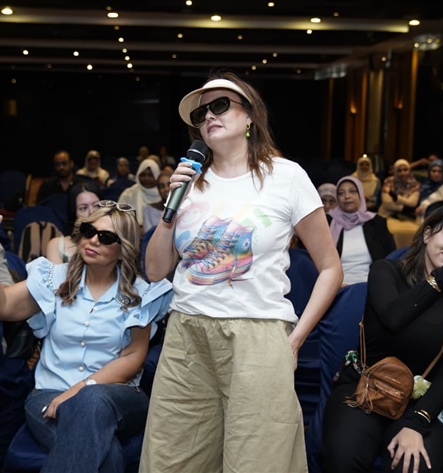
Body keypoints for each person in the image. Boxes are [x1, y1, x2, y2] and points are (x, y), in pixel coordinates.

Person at [140, 71, 343, 473]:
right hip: (186, 334)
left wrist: (295, 339)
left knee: (257, 460)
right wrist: (170, 210)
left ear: (250, 115)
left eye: (220, 106)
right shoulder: (189, 181)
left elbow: (330, 268)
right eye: (200, 113)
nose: (208, 116)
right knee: (172, 458)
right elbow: (155, 270)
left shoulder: (286, 176)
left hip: (257, 334)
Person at [0, 202, 172, 473]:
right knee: (109, 455)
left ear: (124, 248)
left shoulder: (138, 293)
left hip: (118, 396)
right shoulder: (55, 280)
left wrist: (77, 392)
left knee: (92, 399)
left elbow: (133, 358)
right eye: (89, 231)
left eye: (106, 237)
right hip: (49, 393)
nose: (93, 240)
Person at [322, 204, 443, 473]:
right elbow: (394, 317)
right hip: (368, 384)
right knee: (343, 457)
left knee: (412, 465)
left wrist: (417, 423)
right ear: (427, 234)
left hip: (427, 400)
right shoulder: (386, 271)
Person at [329, 176, 395, 285]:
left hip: (372, 285)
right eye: (341, 193)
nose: (347, 196)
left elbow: (391, 257)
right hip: (337, 286)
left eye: (352, 191)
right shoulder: (328, 223)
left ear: (360, 194)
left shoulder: (376, 222)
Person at [44, 182, 102, 264]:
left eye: (96, 206)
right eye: (83, 208)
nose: (92, 212)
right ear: (74, 214)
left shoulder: (112, 243)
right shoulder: (57, 245)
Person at [118, 159, 160, 228]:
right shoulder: (128, 194)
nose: (146, 178)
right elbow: (119, 219)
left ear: (157, 176)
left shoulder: (163, 194)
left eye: (150, 175)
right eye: (143, 175)